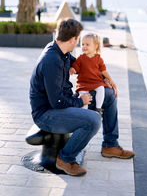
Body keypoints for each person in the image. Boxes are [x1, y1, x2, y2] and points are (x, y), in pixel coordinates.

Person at [29, 18, 135, 177]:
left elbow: (85, 66)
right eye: (78, 39)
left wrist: (106, 79)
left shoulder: (62, 52)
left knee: (108, 95)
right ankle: (65, 158)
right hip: (47, 114)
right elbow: (56, 102)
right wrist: (81, 101)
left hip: (61, 104)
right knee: (93, 120)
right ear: (73, 39)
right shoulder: (52, 60)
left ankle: (110, 145)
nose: (79, 43)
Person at [69, 33, 117, 115]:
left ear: (96, 46)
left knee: (101, 89)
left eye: (87, 45)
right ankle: (84, 112)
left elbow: (103, 71)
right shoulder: (81, 58)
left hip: (96, 82)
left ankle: (98, 108)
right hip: (83, 83)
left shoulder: (98, 59)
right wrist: (73, 69)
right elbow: (76, 66)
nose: (84, 46)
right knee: (84, 96)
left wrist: (110, 79)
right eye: (83, 44)